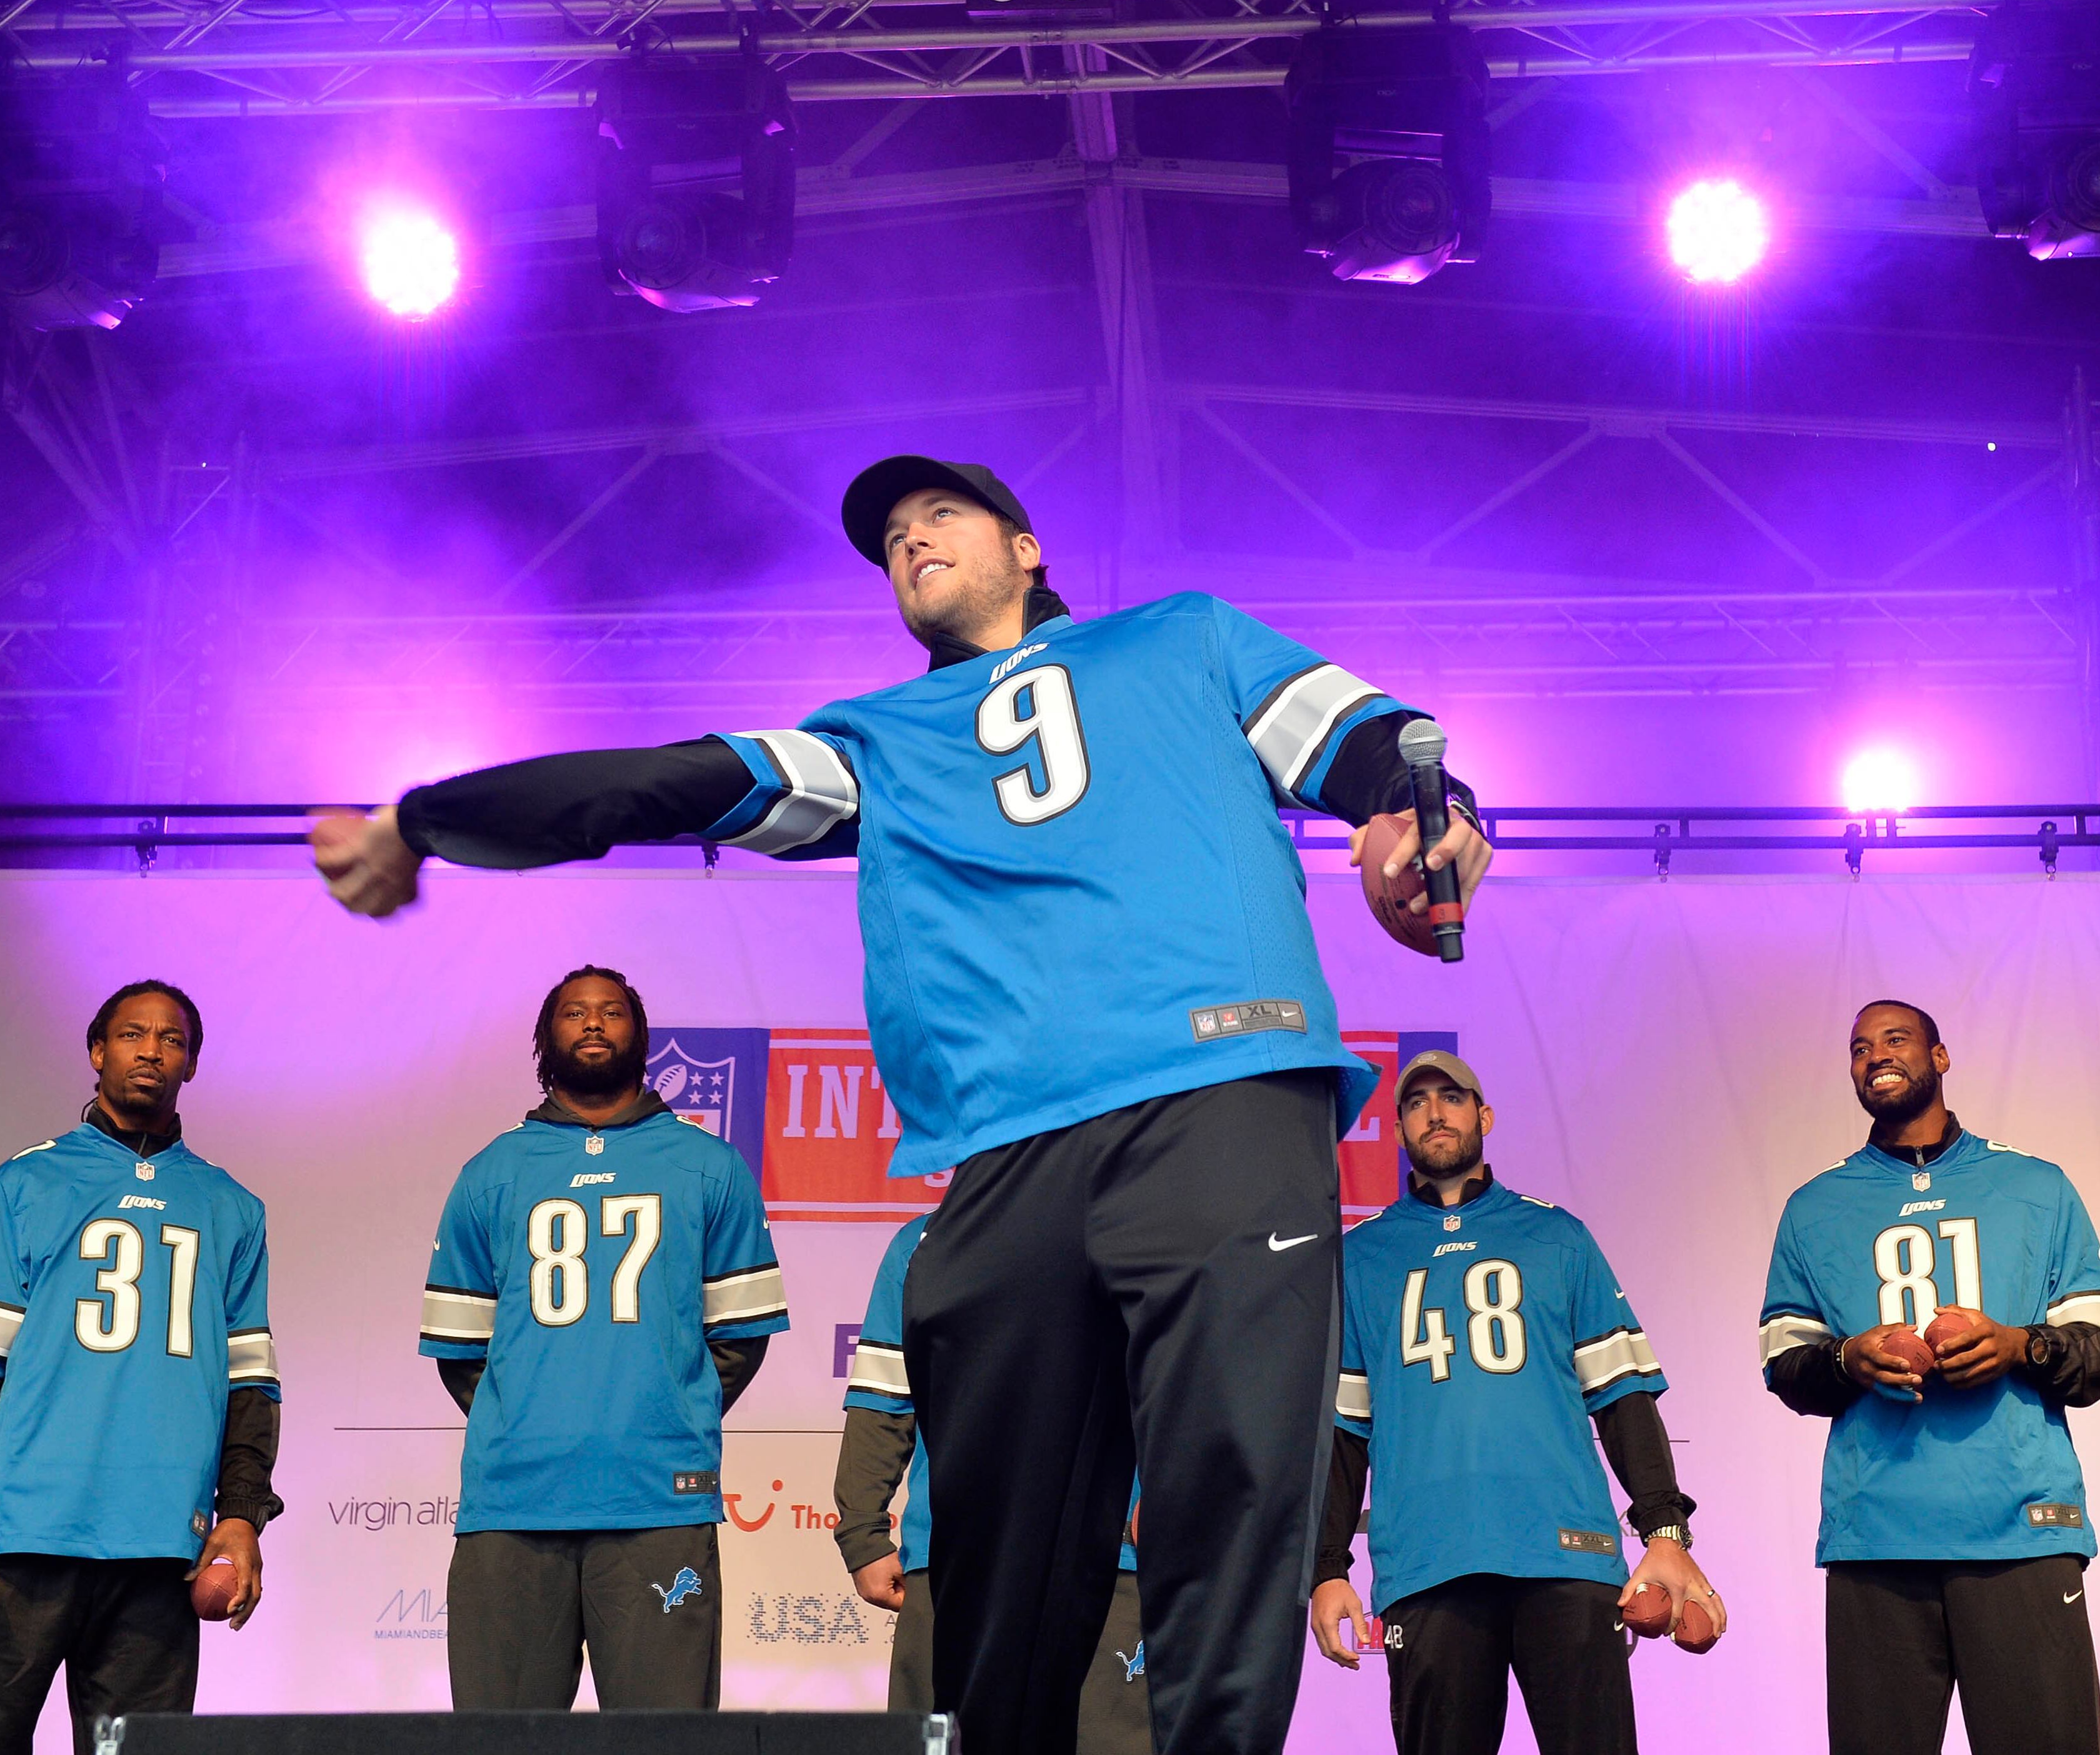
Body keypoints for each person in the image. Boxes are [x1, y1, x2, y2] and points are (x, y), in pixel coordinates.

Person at [316, 456, 1491, 1755]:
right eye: (889, 538)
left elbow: (1377, 743)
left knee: (1227, 1502)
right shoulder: (871, 744)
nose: (910, 540)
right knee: (997, 1574)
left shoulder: (1187, 639)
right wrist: (427, 819)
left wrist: (1427, 821)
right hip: (1007, 1156)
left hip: (1222, 1094)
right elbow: (663, 782)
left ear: (1027, 546)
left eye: (942, 516)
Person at [0, 980, 282, 1755]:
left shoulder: (233, 1207)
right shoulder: (24, 1182)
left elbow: (249, 1383)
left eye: (172, 1040)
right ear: (96, 1052)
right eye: (132, 1034)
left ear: (192, 1064)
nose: (151, 1051)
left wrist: (242, 1513)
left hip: (162, 1544)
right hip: (20, 1534)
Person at [1310, 1050, 1719, 1755]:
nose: (1435, 1113)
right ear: (1399, 1131)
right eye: (1416, 1103)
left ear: (1485, 1116)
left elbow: (1623, 1396)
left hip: (1567, 1555)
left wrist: (1665, 1531)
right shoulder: (1361, 1257)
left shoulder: (1558, 1235)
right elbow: (1344, 1433)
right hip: (1427, 1566)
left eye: (1452, 1097)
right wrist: (1326, 1568)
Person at [1758, 1000, 2100, 1755]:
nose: (1876, 1055)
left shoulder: (2036, 1185)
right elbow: (1785, 1364)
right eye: (1860, 1047)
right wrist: (1849, 1359)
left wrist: (2019, 1346)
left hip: (2022, 1530)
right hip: (1876, 1538)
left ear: (1940, 1056)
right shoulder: (1814, 1206)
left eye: (1896, 1039)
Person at [419, 966, 789, 1711]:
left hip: (659, 1502)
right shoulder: (491, 1172)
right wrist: (531, 1419)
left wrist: (664, 1412)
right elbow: (461, 1348)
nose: (593, 1023)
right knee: (499, 1743)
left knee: (663, 1740)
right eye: (574, 1012)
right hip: (514, 1506)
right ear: (544, 1038)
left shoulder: (708, 1164)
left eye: (612, 1012)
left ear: (641, 1035)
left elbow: (741, 1336)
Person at [836, 1214, 1152, 1752]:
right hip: (955, 1560)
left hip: (1110, 1559)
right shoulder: (925, 1241)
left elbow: (1203, 1384)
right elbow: (884, 1394)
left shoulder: (1147, 1229)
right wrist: (861, 1533)